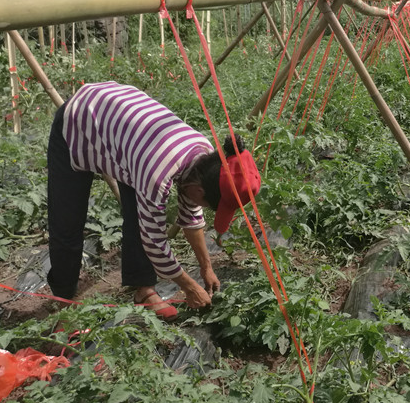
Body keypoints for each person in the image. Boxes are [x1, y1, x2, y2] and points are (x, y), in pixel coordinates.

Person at [46, 81, 261, 320]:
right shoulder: (157, 174)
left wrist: (206, 267)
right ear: (198, 190)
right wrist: (189, 287)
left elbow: (191, 214)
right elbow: (155, 243)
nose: (204, 208)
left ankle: (144, 291)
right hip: (80, 119)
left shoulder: (204, 157)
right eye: (209, 204)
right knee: (67, 220)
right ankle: (63, 304)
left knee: (138, 215)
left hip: (126, 133)